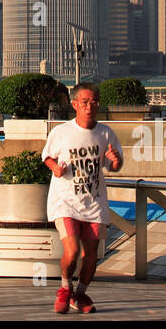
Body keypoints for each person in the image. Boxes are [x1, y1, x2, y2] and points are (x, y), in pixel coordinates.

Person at [42, 82, 123, 315]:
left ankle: (80, 293)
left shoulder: (106, 133)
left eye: (94, 102)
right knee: (72, 251)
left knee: (91, 254)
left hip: (94, 203)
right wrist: (55, 168)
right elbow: (47, 156)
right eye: (85, 102)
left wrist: (115, 160)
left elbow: (114, 166)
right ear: (75, 104)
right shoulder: (61, 132)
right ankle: (65, 288)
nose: (90, 107)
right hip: (65, 201)